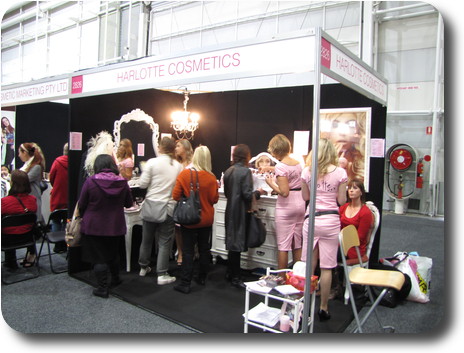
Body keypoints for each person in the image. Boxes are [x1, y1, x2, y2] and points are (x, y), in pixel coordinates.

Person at [301, 138, 347, 321]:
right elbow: (342, 201)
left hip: (312, 219)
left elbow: (305, 196)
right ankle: (324, 307)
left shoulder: (307, 171)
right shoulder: (340, 172)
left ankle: (305, 305)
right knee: (327, 267)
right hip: (330, 220)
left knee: (308, 266)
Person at [78, 154, 133, 298]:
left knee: (99, 258)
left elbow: (82, 203)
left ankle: (102, 288)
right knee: (113, 254)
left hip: (94, 225)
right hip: (115, 225)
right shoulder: (123, 182)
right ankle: (115, 279)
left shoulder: (90, 182)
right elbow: (128, 203)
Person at [172, 146, 219, 294]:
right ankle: (202, 277)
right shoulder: (212, 178)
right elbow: (215, 199)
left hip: (189, 219)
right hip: (206, 219)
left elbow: (175, 196)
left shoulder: (185, 175)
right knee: (204, 248)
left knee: (188, 251)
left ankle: (185, 282)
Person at [138, 136, 183, 285]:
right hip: (168, 207)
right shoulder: (177, 166)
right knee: (164, 242)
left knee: (146, 239)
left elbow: (142, 185)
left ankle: (143, 267)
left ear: (160, 148)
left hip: (151, 205)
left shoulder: (151, 163)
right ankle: (162, 274)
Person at [223, 144, 265, 288]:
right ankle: (236, 277)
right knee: (237, 242)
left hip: (230, 210)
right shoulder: (245, 172)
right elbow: (247, 195)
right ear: (247, 156)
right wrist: (259, 192)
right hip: (240, 211)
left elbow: (228, 193)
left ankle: (230, 272)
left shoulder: (229, 171)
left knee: (232, 242)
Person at [265, 134, 305, 270]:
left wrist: (270, 183)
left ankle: (282, 279)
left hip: (286, 206)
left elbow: (284, 192)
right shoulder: (298, 164)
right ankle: (297, 277)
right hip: (300, 203)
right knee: (297, 243)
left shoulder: (281, 167)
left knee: (283, 245)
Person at [1, 170, 38, 269]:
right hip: (28, 237)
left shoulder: (4, 202)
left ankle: (10, 261)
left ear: (12, 183)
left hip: (7, 240)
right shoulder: (32, 200)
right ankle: (31, 255)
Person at [321, 111, 365, 183]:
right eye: (335, 125)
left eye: (350, 125)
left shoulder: (361, 163)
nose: (342, 133)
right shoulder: (318, 158)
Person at [339, 179, 373, 260]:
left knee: (327, 253)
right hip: (340, 244)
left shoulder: (365, 212)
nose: (351, 190)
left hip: (355, 249)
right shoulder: (343, 207)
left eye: (355, 188)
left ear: (361, 192)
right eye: (350, 188)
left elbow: (360, 238)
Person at [173, 139, 194, 266]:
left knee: (190, 227)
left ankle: (190, 251)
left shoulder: (193, 164)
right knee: (178, 227)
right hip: (178, 198)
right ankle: (180, 252)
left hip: (190, 199)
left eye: (178, 146)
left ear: (185, 148)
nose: (176, 148)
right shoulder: (176, 164)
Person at [18, 142, 45, 225]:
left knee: (33, 221)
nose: (19, 155)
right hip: (26, 199)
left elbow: (25, 179)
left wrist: (13, 176)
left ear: (25, 153)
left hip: (33, 199)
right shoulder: (27, 165)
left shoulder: (36, 167)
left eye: (20, 152)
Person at [49, 142, 69, 253]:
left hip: (57, 196)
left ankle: (58, 245)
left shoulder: (57, 162)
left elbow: (51, 177)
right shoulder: (76, 162)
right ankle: (65, 244)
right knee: (67, 221)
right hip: (69, 198)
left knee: (56, 220)